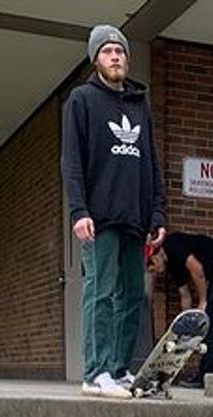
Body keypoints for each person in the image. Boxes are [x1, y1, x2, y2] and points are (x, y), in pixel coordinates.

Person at [61, 24, 166, 398]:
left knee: (132, 295)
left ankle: (120, 370)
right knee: (101, 291)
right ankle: (95, 372)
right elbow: (71, 162)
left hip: (135, 220)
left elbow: (152, 164)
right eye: (107, 51)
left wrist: (158, 215)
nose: (116, 56)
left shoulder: (140, 106)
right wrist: (78, 211)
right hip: (99, 217)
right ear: (96, 59)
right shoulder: (82, 100)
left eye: (120, 51)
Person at [157, 232, 213, 387]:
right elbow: (185, 296)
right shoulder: (172, 268)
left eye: (152, 267)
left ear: (156, 256)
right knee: (206, 325)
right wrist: (186, 322)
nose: (154, 271)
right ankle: (204, 376)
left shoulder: (172, 245)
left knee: (211, 325)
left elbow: (197, 269)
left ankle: (206, 378)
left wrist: (203, 301)